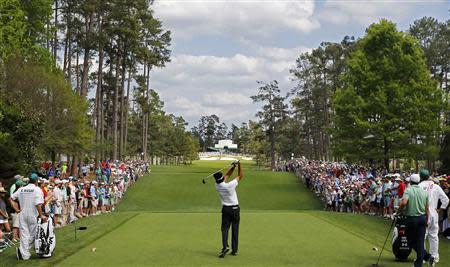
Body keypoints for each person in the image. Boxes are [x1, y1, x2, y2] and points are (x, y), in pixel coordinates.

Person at [9, 173, 47, 260]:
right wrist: (41, 215)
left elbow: (11, 198)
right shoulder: (37, 189)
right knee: (34, 234)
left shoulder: (22, 189)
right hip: (32, 214)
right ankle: (24, 251)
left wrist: (16, 209)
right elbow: (38, 204)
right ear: (36, 181)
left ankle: (24, 254)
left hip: (22, 214)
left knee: (24, 234)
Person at [398, 174, 429, 267]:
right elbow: (427, 208)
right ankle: (425, 258)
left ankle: (424, 259)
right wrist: (427, 219)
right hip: (422, 218)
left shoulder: (408, 190)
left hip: (411, 219)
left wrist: (398, 210)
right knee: (420, 241)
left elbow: (404, 202)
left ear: (410, 182)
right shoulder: (424, 192)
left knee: (410, 240)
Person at [214, 161, 244, 258]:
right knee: (235, 229)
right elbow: (240, 175)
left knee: (225, 229)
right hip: (235, 209)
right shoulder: (230, 185)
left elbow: (227, 175)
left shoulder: (217, 186)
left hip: (226, 210)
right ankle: (234, 250)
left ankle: (225, 246)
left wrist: (233, 167)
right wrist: (239, 165)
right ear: (222, 178)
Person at [418, 169, 449, 265]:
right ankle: (434, 256)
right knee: (433, 235)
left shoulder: (419, 186)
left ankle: (423, 256)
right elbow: (446, 199)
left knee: (422, 236)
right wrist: (441, 209)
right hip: (434, 213)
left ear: (421, 177)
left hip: (423, 213)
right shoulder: (436, 186)